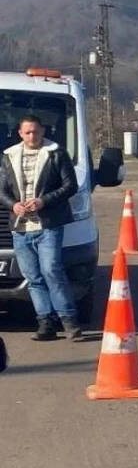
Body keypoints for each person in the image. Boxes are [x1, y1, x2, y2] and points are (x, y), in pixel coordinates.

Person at [0, 114, 79, 342]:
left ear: (43, 131)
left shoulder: (56, 153)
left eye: (36, 131)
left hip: (49, 225)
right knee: (33, 277)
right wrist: (13, 205)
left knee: (52, 270)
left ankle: (69, 320)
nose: (32, 136)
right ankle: (46, 323)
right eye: (27, 132)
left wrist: (44, 201)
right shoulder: (9, 157)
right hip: (21, 228)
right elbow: (2, 190)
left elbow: (70, 185)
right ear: (20, 133)